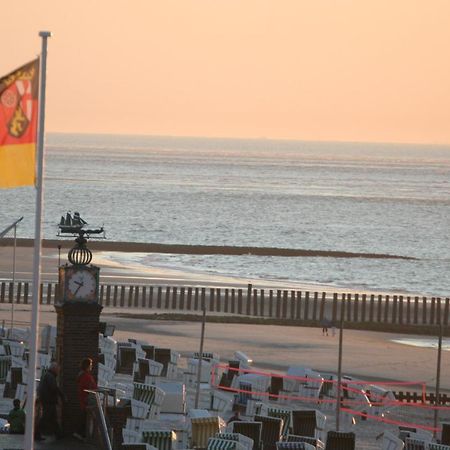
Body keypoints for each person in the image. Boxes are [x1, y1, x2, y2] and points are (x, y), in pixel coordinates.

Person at [36, 362, 65, 440]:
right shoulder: (50, 376)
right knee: (46, 417)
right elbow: (54, 388)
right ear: (54, 369)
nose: (59, 372)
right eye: (58, 370)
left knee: (53, 418)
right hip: (48, 400)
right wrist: (62, 396)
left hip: (47, 399)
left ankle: (58, 434)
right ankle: (36, 433)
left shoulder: (47, 375)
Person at [74, 357, 97, 441]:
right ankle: (81, 434)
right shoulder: (86, 376)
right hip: (87, 399)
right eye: (90, 365)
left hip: (83, 399)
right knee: (85, 417)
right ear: (87, 366)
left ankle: (80, 433)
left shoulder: (82, 375)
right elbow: (91, 387)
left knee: (83, 416)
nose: (91, 366)